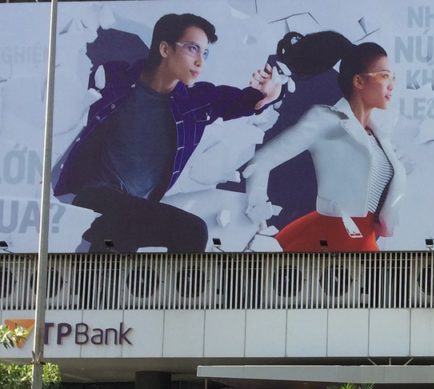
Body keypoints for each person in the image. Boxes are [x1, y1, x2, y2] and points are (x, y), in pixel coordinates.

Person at [54, 13, 282, 253]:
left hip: (133, 210)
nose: (200, 62)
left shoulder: (193, 103)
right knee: (191, 230)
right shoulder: (115, 79)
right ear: (164, 49)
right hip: (92, 198)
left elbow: (240, 101)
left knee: (107, 270)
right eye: (193, 49)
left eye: (205, 53)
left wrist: (265, 94)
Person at [244, 31, 405, 252]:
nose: (391, 85)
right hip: (303, 205)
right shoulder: (329, 102)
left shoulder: (368, 128)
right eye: (384, 76)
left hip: (318, 212)